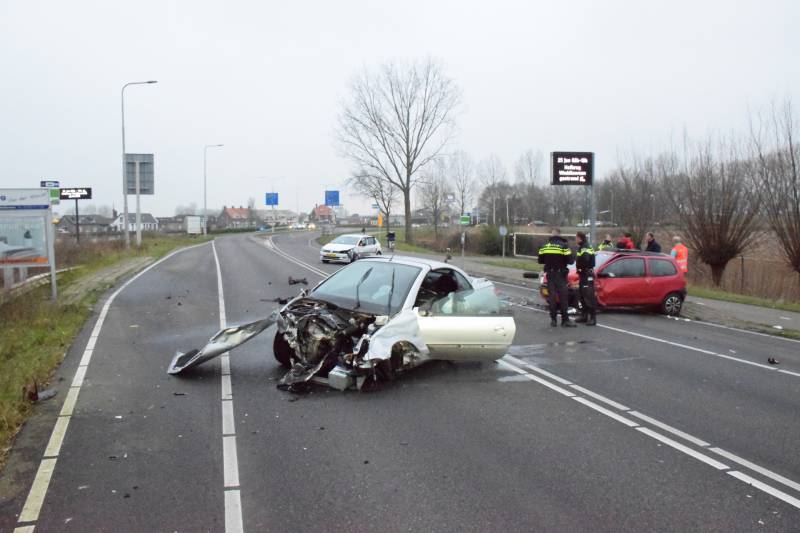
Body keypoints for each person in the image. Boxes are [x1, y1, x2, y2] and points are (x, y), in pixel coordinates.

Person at [538, 228, 576, 327]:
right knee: (563, 298)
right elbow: (571, 261)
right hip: (561, 275)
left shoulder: (544, 246)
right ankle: (565, 320)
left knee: (552, 298)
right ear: (559, 235)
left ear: (551, 235)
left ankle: (553, 320)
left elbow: (540, 261)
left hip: (550, 275)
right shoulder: (564, 246)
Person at [574, 231, 597, 326]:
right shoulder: (583, 247)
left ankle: (592, 318)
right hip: (584, 274)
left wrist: (581, 269)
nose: (575, 240)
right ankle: (584, 315)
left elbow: (585, 259)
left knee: (588, 296)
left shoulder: (585, 247)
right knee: (582, 295)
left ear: (580, 238)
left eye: (576, 238)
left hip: (586, 274)